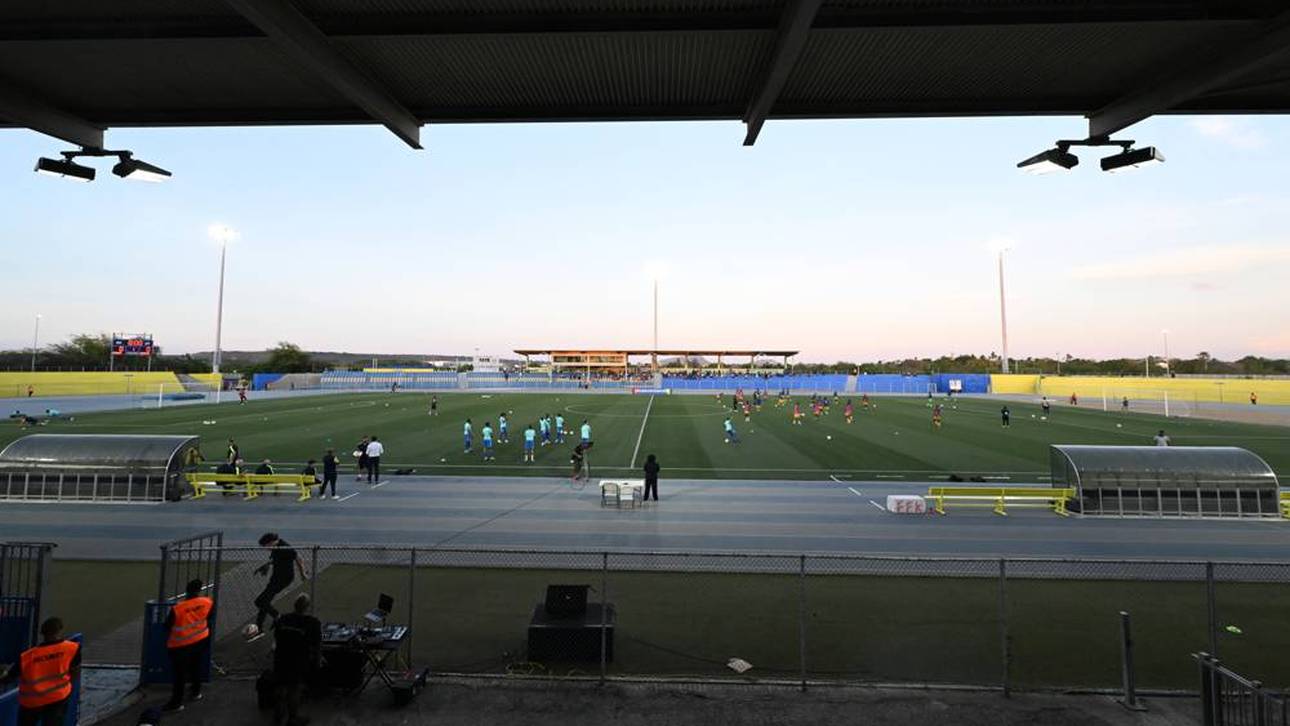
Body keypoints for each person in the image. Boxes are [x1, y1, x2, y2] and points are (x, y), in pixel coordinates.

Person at [4, 617, 80, 726]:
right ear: (60, 630)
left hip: (31, 702)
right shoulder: (72, 648)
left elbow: (10, 677)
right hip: (58, 698)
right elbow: (75, 672)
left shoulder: (27, 656)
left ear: (42, 633)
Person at [163, 579, 212, 712]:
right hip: (200, 640)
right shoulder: (207, 602)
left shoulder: (178, 608)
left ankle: (176, 703)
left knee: (179, 675)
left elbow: (167, 625)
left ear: (187, 591)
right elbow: (209, 618)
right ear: (199, 590)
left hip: (180, 645)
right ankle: (196, 692)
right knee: (195, 667)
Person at [272, 594, 321, 726]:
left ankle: (278, 714)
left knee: (280, 685)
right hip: (298, 660)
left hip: (280, 658)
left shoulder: (281, 619)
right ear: (307, 607)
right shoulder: (312, 622)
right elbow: (316, 645)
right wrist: (318, 661)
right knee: (294, 688)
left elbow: (276, 638)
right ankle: (293, 718)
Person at [251, 533, 308, 637]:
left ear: (271, 542)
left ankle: (279, 617)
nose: (266, 548)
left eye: (266, 546)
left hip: (283, 579)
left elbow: (298, 558)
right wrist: (266, 565)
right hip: (275, 578)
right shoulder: (276, 547)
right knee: (264, 602)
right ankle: (259, 628)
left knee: (259, 601)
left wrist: (302, 573)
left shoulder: (285, 547)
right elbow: (277, 559)